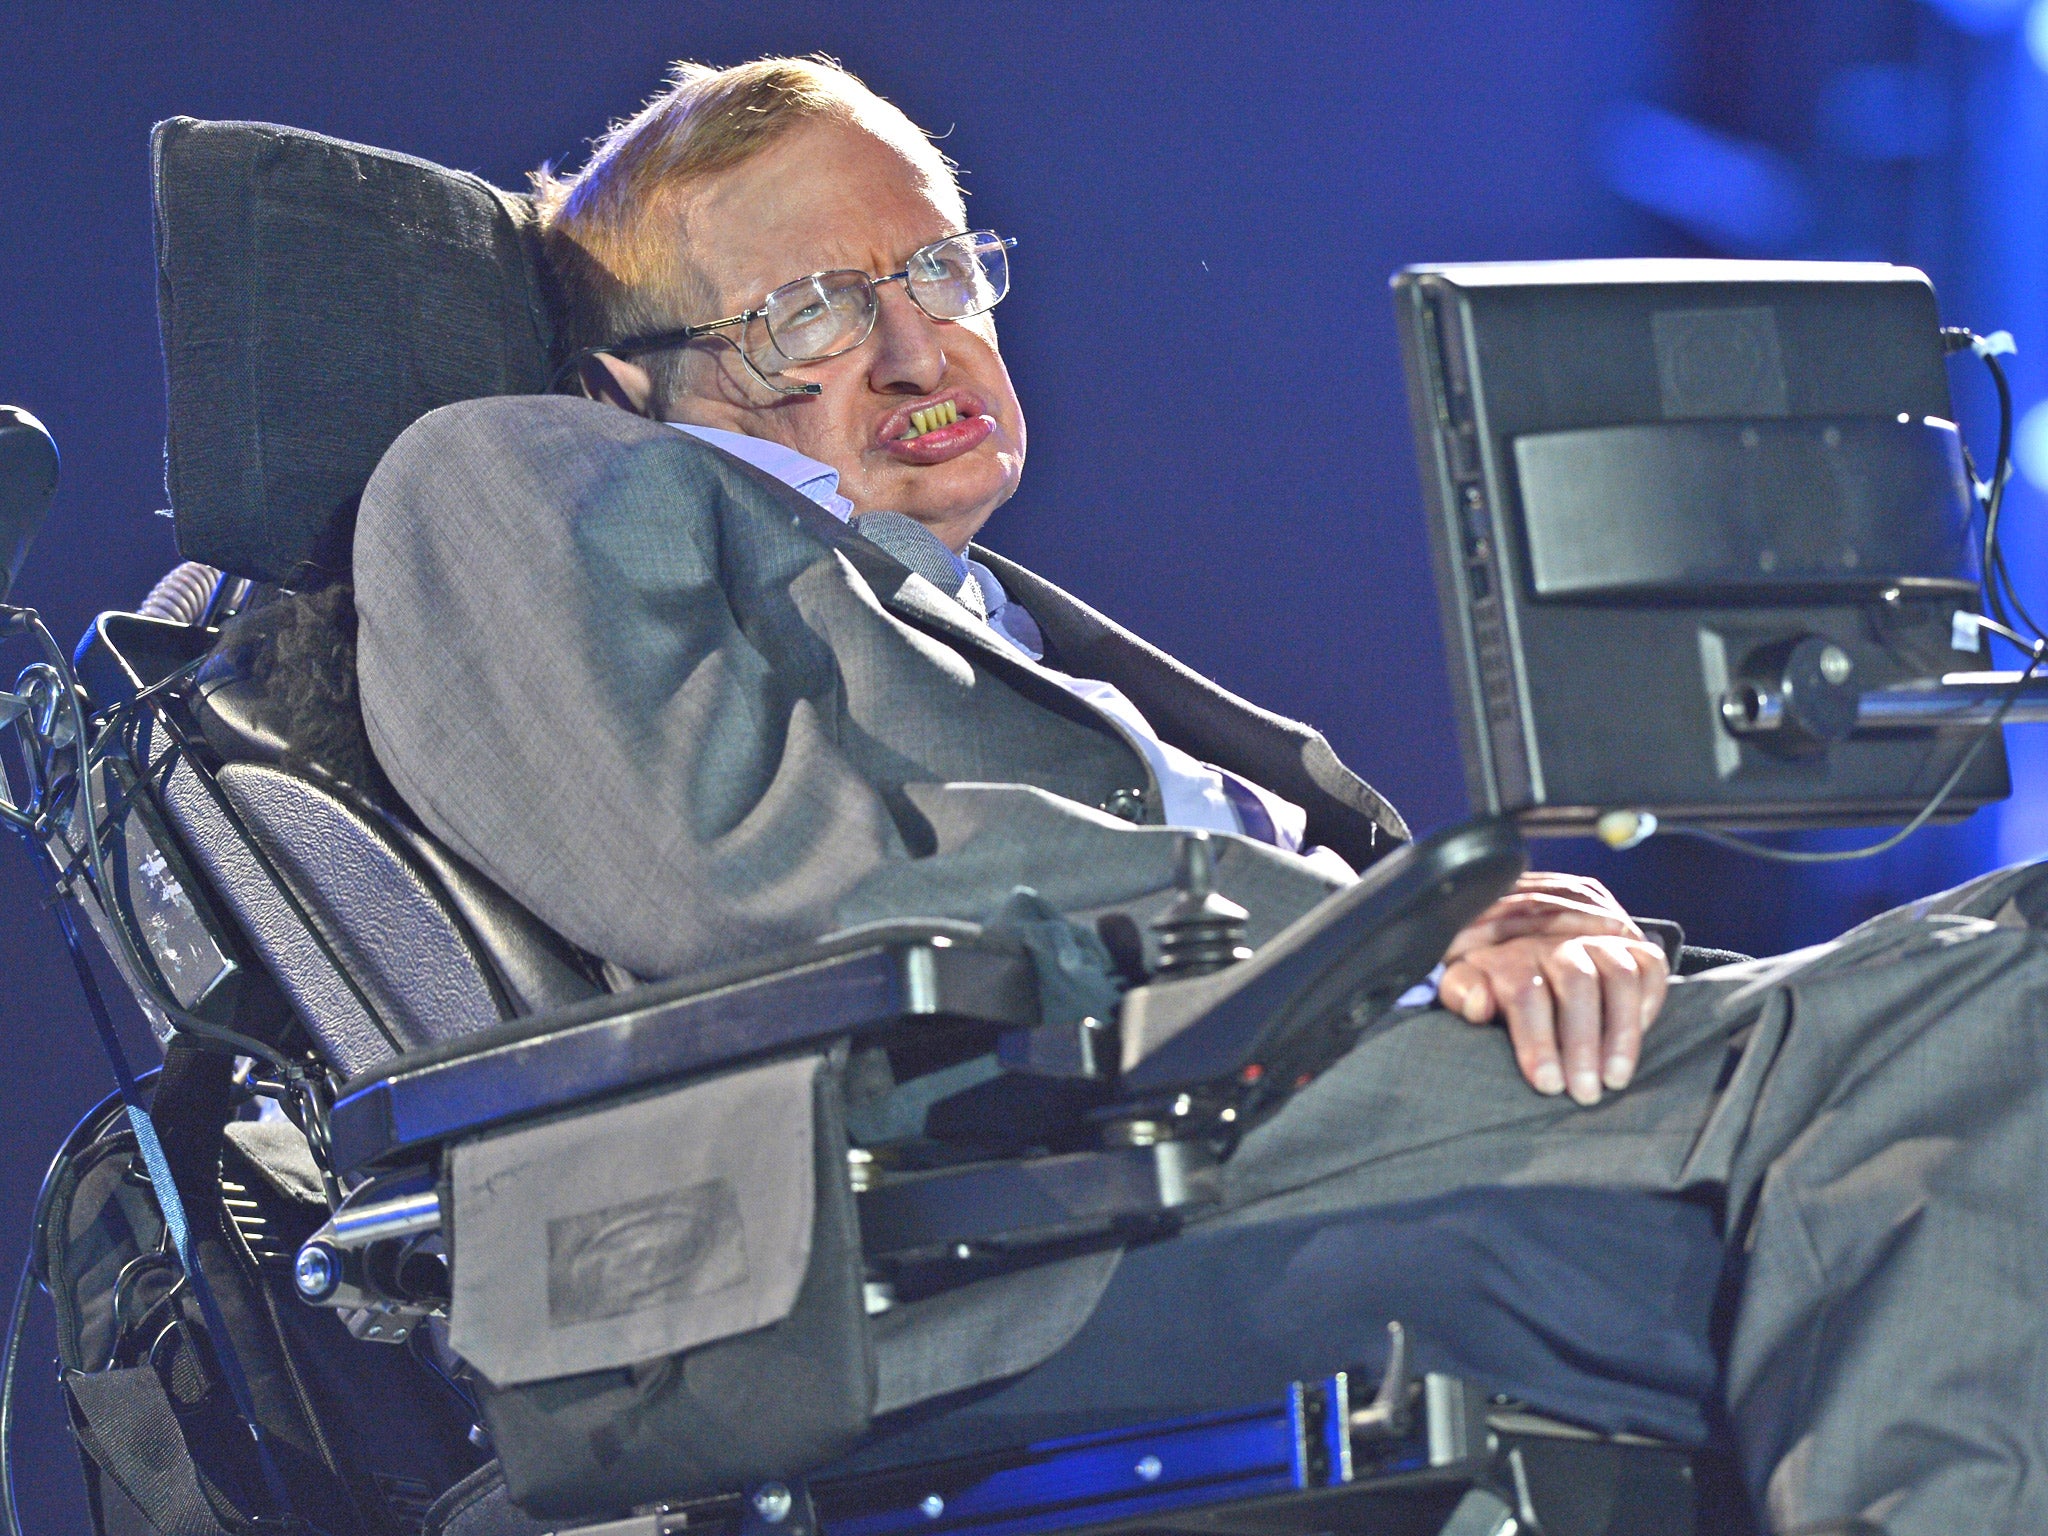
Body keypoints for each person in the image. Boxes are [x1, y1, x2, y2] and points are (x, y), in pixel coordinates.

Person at [352, 57, 2048, 1535]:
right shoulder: (516, 473)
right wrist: (1404, 945)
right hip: (1034, 1183)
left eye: (937, 268)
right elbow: (743, 875)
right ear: (628, 380)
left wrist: (1517, 914)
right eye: (808, 311)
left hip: (1306, 1080)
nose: (916, 342)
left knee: (1993, 997)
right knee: (1986, 1016)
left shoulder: (985, 624)